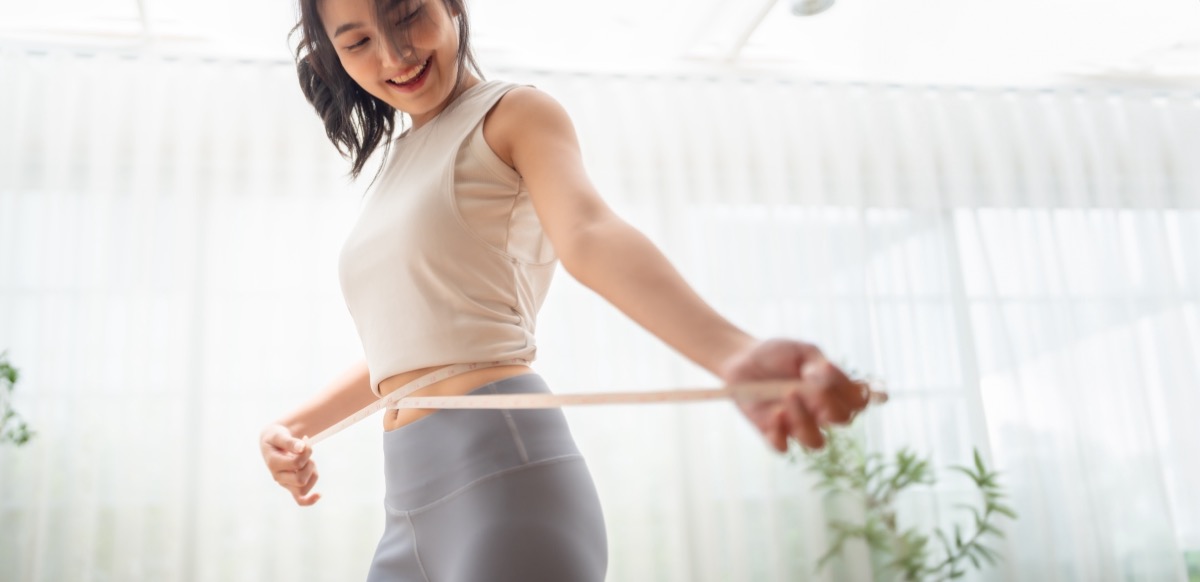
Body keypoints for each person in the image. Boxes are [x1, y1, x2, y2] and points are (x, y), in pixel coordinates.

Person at [258, 0, 872, 579]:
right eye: (359, 41)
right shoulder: (397, 164)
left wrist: (733, 353)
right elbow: (416, 340)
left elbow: (590, 233)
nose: (394, 57)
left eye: (407, 17)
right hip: (407, 501)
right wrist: (297, 424)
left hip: (502, 475)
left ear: (452, 6)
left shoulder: (514, 114)